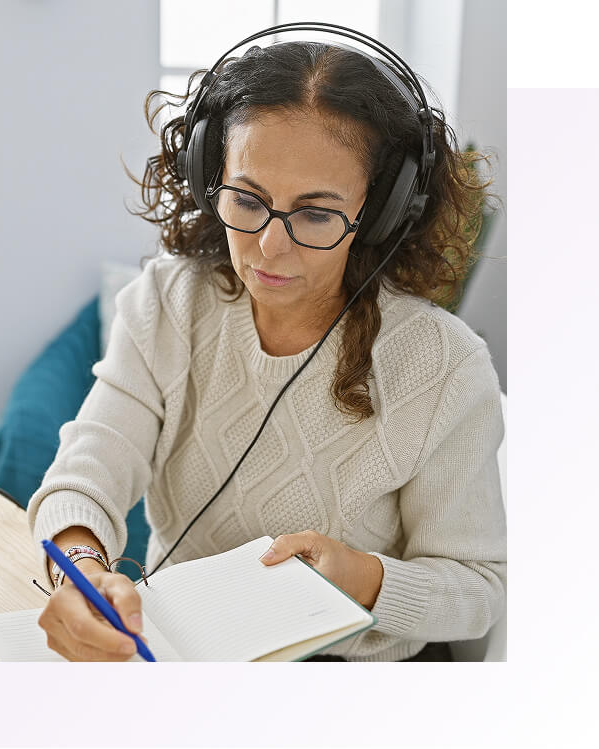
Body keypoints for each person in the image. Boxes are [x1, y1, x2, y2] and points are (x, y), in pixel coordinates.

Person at [27, 35, 506, 662]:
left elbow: (478, 592)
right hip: (183, 655)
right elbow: (85, 472)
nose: (269, 248)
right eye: (248, 201)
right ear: (210, 180)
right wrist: (81, 570)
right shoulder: (169, 301)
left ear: (383, 212)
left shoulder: (446, 366)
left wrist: (362, 577)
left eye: (316, 214)